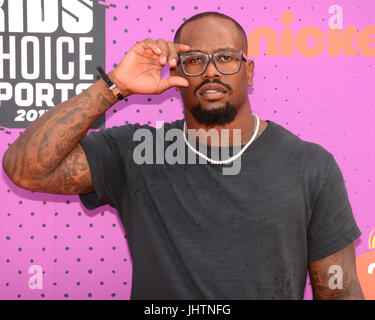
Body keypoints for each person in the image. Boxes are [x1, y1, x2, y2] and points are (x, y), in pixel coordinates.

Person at [2, 11, 364, 300]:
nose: (210, 71)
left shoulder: (309, 164)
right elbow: (26, 169)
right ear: (175, 72)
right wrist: (115, 85)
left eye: (225, 58)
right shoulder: (136, 151)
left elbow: (338, 289)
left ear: (248, 71)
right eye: (194, 60)